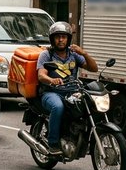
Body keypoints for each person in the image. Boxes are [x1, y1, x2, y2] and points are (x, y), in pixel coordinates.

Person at [36, 21, 98, 154]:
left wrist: (84, 53)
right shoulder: (47, 55)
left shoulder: (73, 54)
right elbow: (41, 75)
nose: (60, 40)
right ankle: (53, 143)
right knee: (58, 107)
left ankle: (80, 137)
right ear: (52, 39)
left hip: (72, 92)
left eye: (63, 37)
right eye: (57, 37)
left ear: (68, 39)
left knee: (91, 104)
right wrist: (52, 80)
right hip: (51, 92)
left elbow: (94, 68)